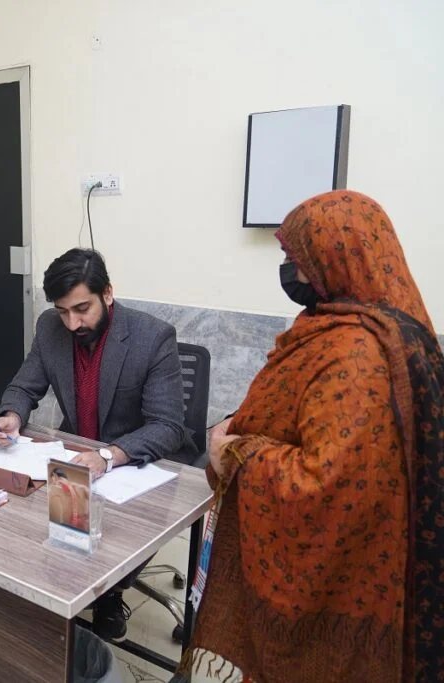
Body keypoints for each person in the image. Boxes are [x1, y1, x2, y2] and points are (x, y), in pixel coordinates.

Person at [183, 191, 443, 683]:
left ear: (336, 257)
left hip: (340, 594)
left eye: (294, 258)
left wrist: (234, 451)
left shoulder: (357, 354)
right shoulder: (354, 325)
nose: (288, 270)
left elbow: (325, 485)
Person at [0, 247, 196, 640]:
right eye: (63, 311)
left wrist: (108, 455)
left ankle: (110, 596)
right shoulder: (50, 328)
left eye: (82, 309)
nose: (72, 323)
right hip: (77, 457)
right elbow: (24, 386)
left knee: (111, 550)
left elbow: (168, 427)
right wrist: (12, 415)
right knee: (39, 532)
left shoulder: (152, 337)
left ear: (108, 293)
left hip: (138, 463)